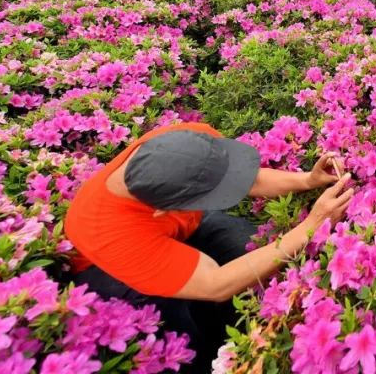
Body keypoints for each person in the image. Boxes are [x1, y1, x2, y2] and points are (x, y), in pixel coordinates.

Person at [65, 121, 354, 373]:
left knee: (247, 246)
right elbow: (215, 283)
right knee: (178, 321)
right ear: (163, 210)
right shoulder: (114, 235)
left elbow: (246, 178)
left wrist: (307, 180)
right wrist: (310, 226)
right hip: (115, 274)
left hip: (175, 228)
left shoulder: (185, 142)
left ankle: (250, 324)